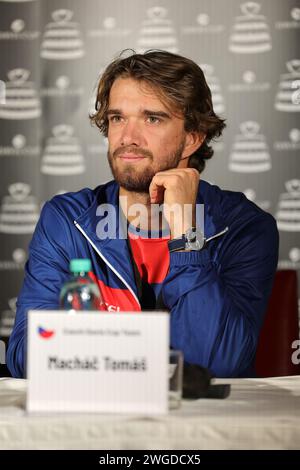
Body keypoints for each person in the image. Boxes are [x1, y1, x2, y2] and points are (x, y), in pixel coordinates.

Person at [7, 50, 279, 379]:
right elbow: (28, 355)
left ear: (192, 138)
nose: (127, 138)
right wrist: (142, 358)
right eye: (117, 118)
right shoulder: (66, 221)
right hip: (98, 423)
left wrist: (186, 233)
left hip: (197, 428)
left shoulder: (243, 227)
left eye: (152, 118)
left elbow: (217, 363)